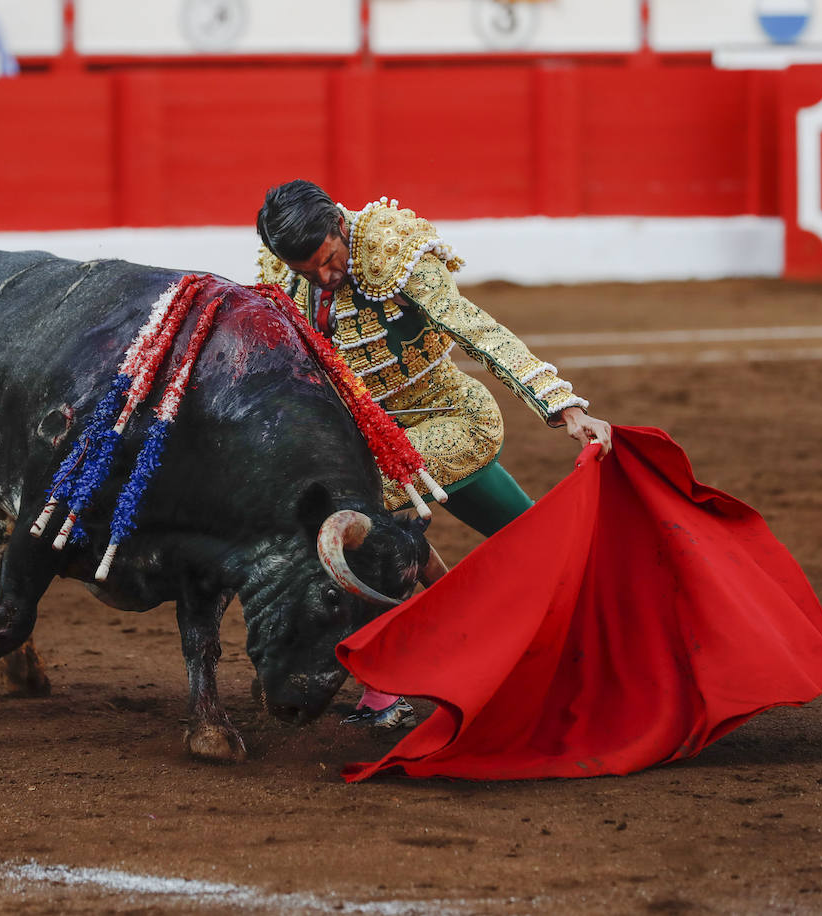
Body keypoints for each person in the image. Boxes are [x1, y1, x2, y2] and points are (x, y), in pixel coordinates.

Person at [255, 180, 613, 728]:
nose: (324, 277)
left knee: (364, 507)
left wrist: (564, 408)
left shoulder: (394, 253)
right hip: (371, 433)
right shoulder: (285, 271)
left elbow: (476, 331)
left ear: (338, 226)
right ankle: (573, 608)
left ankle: (399, 673)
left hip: (450, 417)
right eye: (309, 272)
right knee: (536, 542)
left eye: (329, 261)